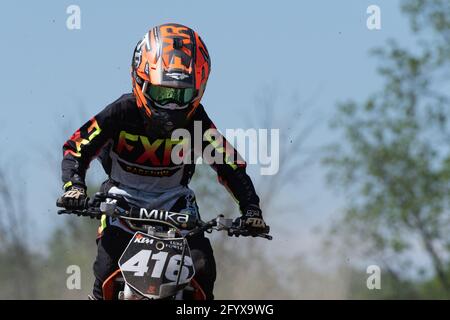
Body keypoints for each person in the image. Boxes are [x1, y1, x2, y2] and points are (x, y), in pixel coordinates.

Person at [57, 23, 268, 300]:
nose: (171, 106)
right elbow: (77, 146)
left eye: (181, 95)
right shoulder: (121, 111)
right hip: (121, 204)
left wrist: (251, 208)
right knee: (106, 268)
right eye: (162, 93)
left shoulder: (197, 121)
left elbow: (228, 163)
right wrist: (74, 187)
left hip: (177, 206)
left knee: (203, 269)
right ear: (140, 80)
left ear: (199, 89)